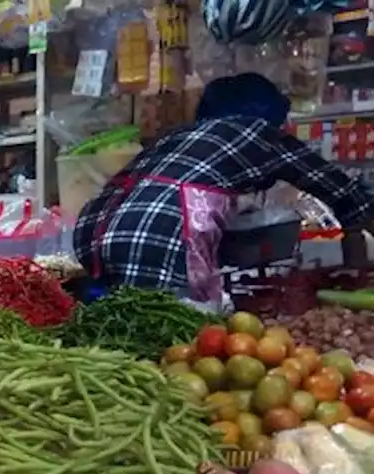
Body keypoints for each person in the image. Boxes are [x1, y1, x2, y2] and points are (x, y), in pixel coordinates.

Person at [73, 72, 375, 306]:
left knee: (125, 322)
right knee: (174, 336)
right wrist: (358, 249)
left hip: (94, 232)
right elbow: (337, 186)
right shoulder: (255, 131)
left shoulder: (179, 136)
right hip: (156, 235)